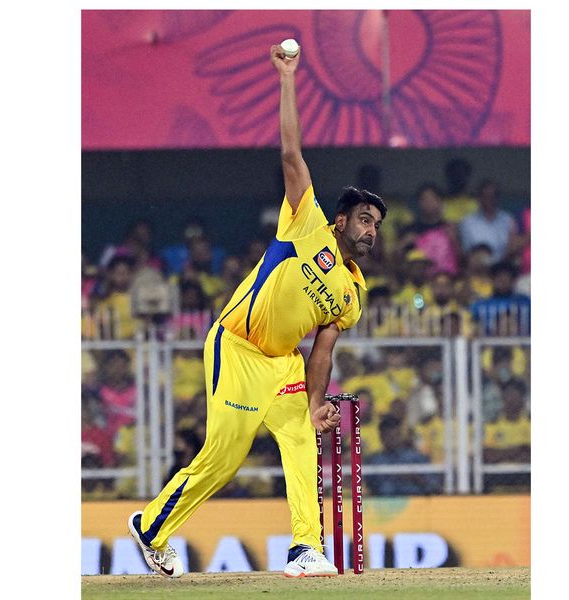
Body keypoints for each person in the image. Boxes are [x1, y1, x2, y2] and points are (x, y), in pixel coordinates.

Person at [128, 42, 387, 579]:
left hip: (284, 363)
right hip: (239, 348)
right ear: (341, 221)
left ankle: (305, 547)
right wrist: (287, 77)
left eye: (378, 226)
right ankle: (151, 526)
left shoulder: (352, 293)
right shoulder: (306, 222)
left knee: (300, 439)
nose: (371, 231)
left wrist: (315, 402)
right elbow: (291, 154)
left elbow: (323, 352)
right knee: (224, 458)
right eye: (365, 219)